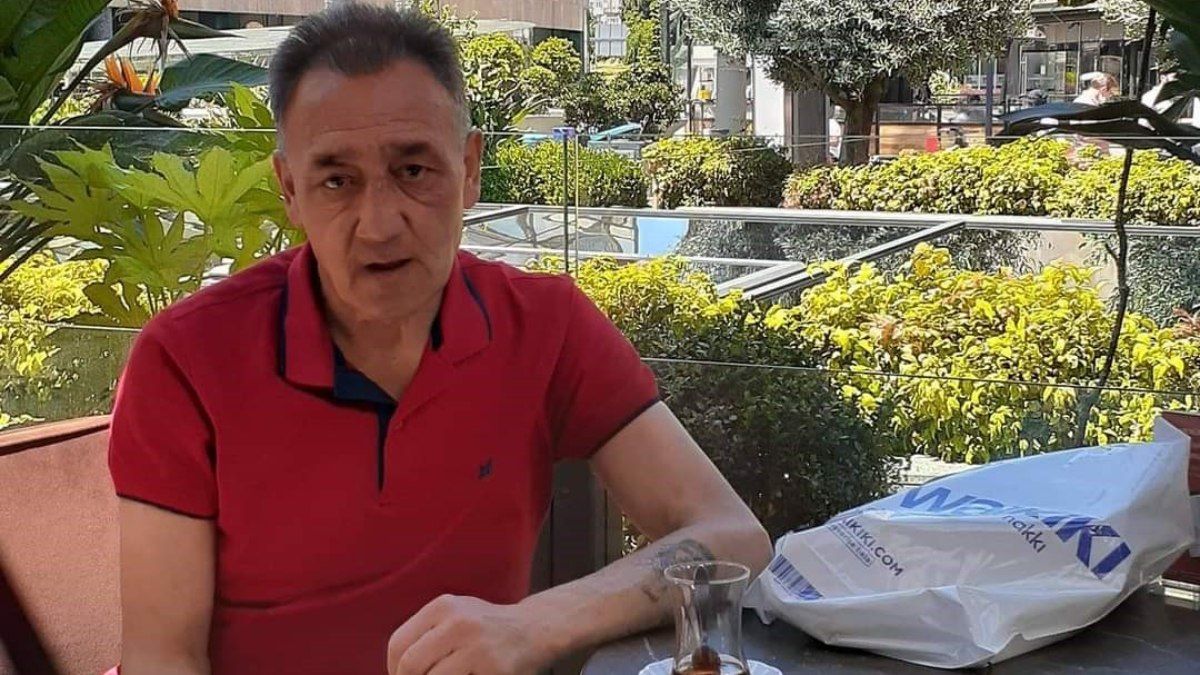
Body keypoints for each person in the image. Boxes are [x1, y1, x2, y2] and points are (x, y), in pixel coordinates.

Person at [108, 5, 771, 675]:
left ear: (470, 167)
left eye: (414, 171)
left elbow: (730, 533)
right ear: (290, 190)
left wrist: (536, 623)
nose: (379, 224)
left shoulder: (544, 326)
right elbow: (161, 658)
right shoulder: (187, 360)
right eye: (337, 181)